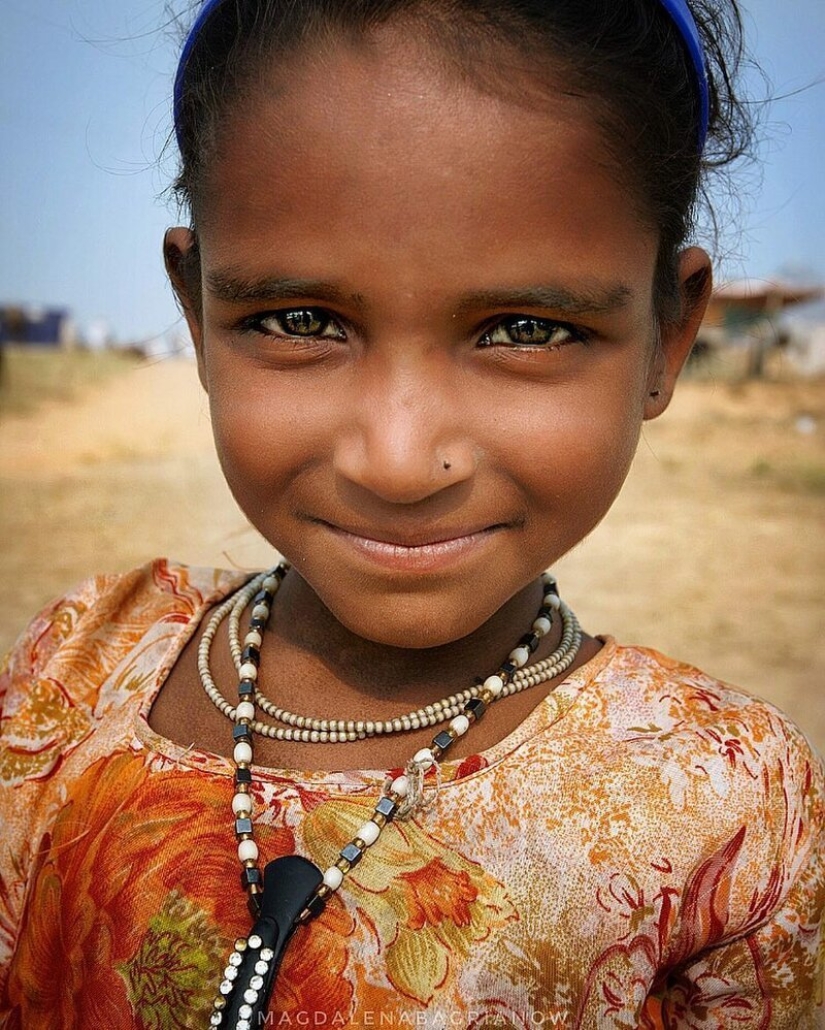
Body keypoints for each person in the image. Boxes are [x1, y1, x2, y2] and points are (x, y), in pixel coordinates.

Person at [1, 0, 823, 1026]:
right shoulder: (72, 673)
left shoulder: (728, 807)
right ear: (196, 309)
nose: (398, 460)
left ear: (667, 334)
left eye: (526, 328)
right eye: (301, 321)